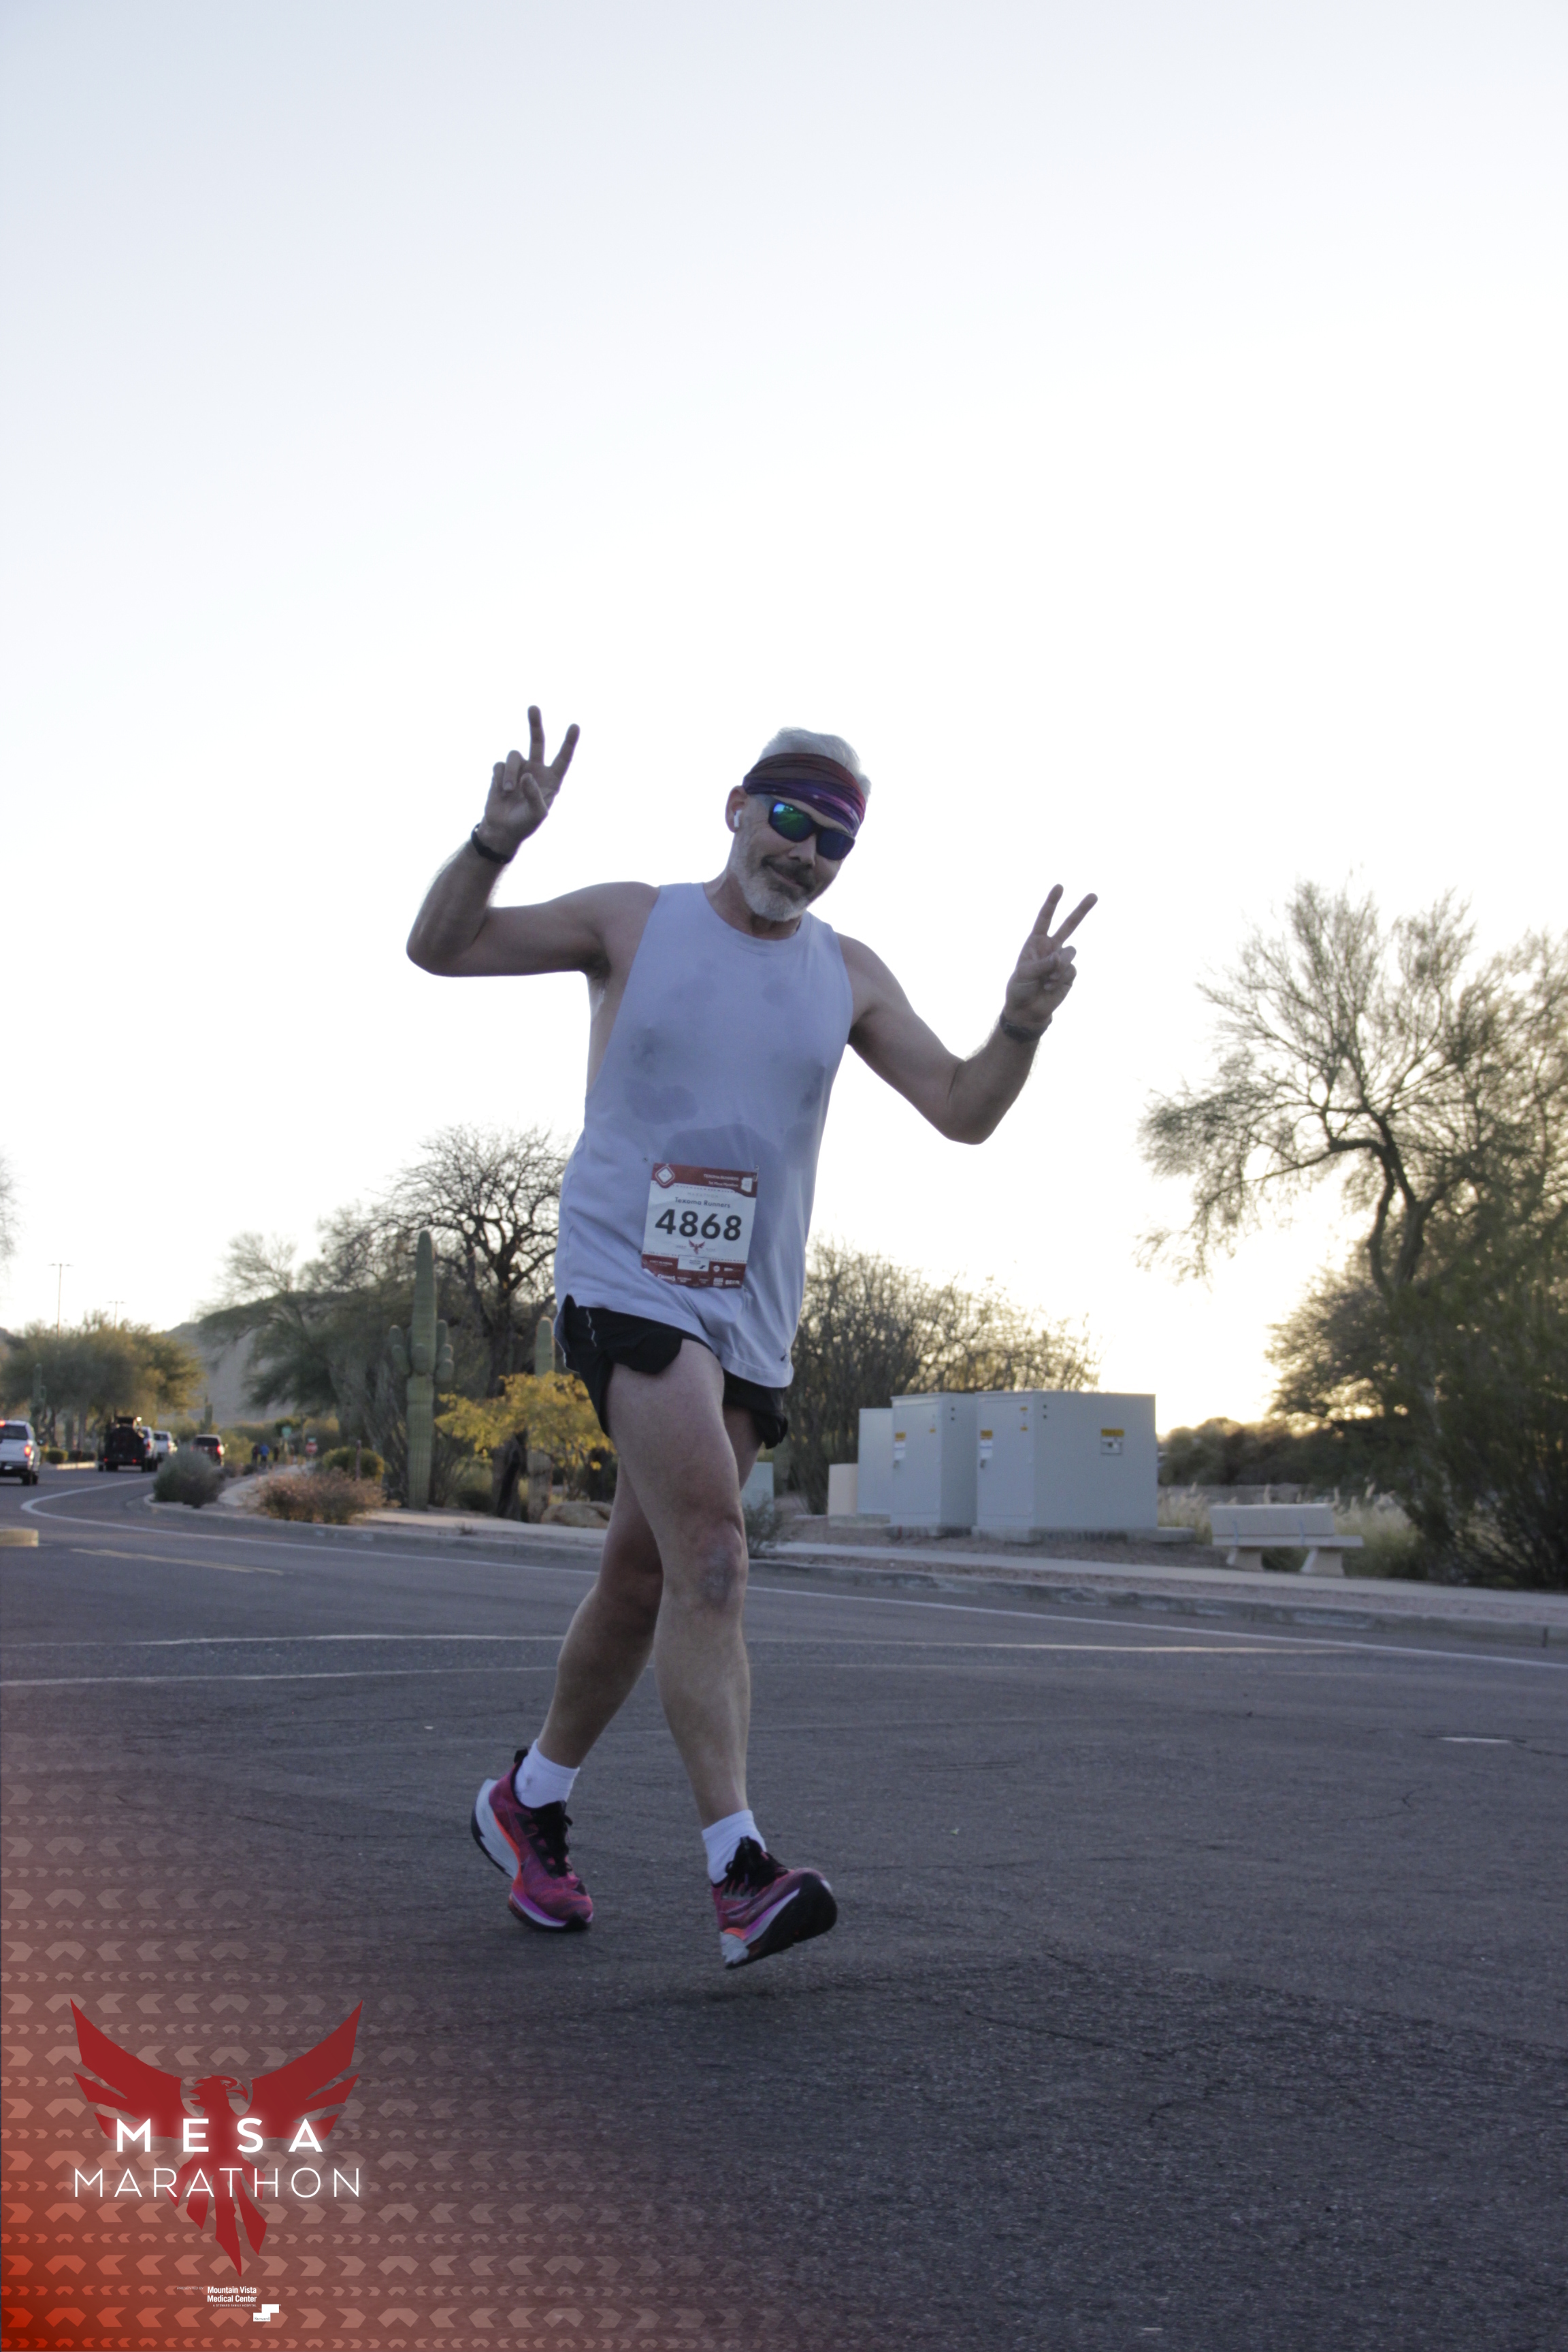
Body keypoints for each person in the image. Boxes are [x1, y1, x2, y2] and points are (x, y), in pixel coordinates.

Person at [407, 709, 1094, 1969]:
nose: (806, 853)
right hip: (626, 1274)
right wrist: (492, 843)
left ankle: (529, 1800)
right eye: (790, 820)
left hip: (751, 1315)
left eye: (834, 841)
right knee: (718, 1554)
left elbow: (962, 1110)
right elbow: (441, 947)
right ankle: (739, 1869)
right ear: (737, 806)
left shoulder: (849, 974)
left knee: (647, 1577)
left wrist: (1021, 1027)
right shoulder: (634, 922)